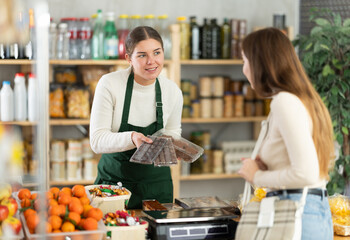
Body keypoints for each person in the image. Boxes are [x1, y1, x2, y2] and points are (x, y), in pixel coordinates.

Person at [238, 28, 334, 239]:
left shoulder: (284, 102)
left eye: (246, 61)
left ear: (261, 63)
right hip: (310, 211)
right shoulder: (304, 100)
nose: (244, 70)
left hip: (297, 213)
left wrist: (257, 175)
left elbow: (306, 173)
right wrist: (269, 164)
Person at [90, 26, 183, 209]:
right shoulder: (109, 84)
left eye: (157, 53)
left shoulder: (172, 91)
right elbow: (97, 140)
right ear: (128, 58)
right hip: (113, 186)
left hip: (157, 188)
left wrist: (175, 148)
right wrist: (132, 138)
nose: (151, 61)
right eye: (142, 55)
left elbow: (173, 133)